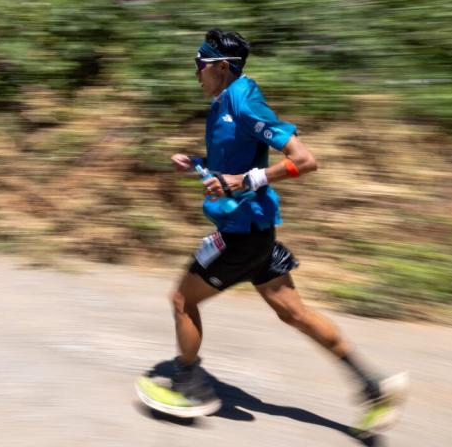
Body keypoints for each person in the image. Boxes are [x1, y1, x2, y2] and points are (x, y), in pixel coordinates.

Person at [140, 29, 407, 432]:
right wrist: (198, 163)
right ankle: (374, 385)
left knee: (181, 299)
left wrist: (242, 182)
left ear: (221, 67)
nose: (195, 73)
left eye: (199, 65)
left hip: (242, 234)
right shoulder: (223, 103)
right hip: (257, 231)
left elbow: (304, 160)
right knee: (293, 313)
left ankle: (189, 389)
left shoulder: (246, 102)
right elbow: (231, 167)